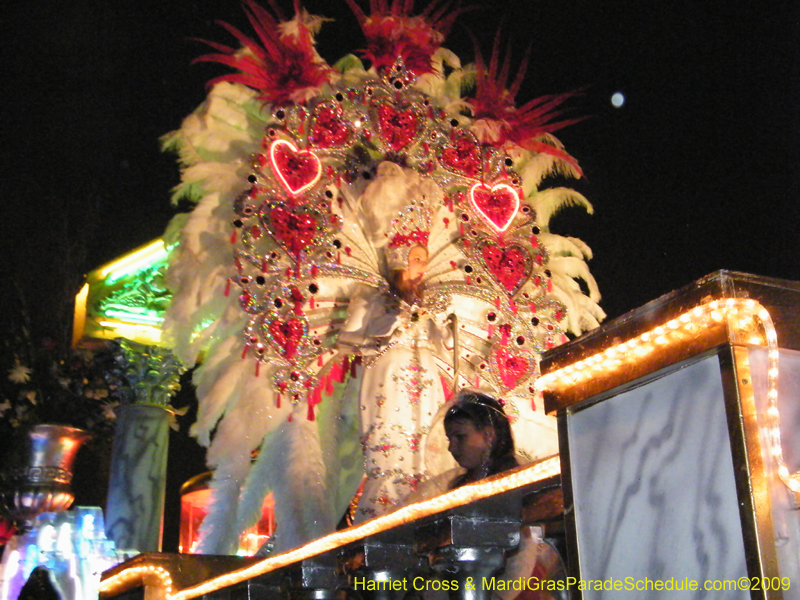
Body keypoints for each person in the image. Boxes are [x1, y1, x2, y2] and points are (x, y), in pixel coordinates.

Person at [443, 390, 519, 487]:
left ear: (488, 435)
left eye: (460, 437)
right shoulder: (459, 485)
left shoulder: (515, 481)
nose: (451, 448)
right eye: (449, 439)